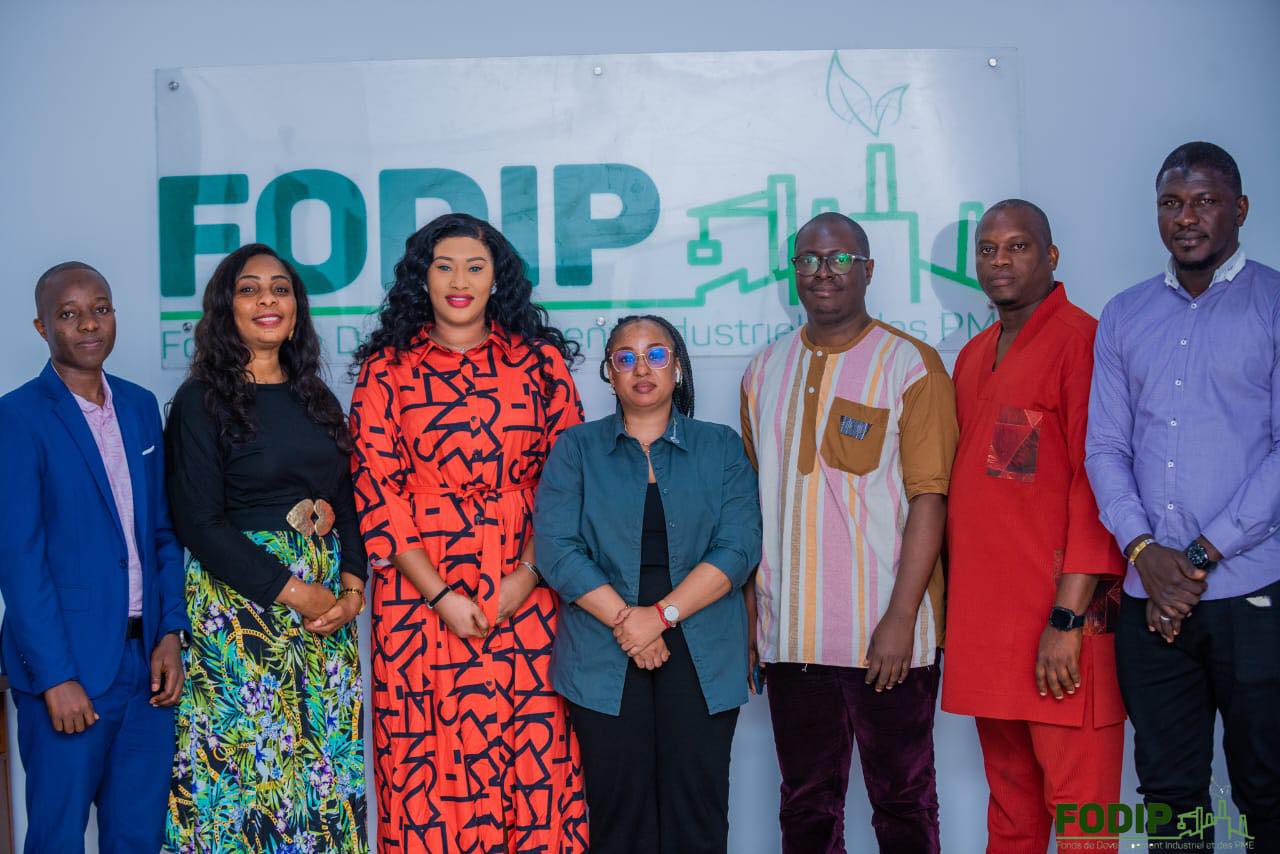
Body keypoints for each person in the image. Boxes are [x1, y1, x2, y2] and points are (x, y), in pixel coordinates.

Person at [349, 212, 588, 853]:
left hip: (528, 583)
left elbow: (568, 481)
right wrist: (439, 595)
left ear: (496, 279)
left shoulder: (540, 363)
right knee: (425, 763)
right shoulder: (386, 369)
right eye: (445, 266)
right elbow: (376, 489)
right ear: (421, 278)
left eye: (475, 267)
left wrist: (526, 577)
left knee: (535, 757)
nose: (460, 281)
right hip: (416, 593)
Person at [740, 212, 957, 853]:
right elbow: (754, 508)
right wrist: (753, 620)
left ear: (868, 270)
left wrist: (900, 618)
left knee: (903, 802)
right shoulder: (763, 370)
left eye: (839, 259)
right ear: (794, 273)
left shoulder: (910, 365)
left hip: (885, 636)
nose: (823, 272)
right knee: (806, 807)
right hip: (791, 635)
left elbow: (930, 498)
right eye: (809, 259)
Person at [1086, 142, 1280, 851]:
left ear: (1241, 209)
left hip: (1252, 595)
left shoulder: (1273, 303)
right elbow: (1105, 449)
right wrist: (1144, 552)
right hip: (1150, 603)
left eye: (1205, 201)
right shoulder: (1126, 313)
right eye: (1172, 203)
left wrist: (1193, 559)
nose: (1186, 218)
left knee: (1266, 787)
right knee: (1170, 796)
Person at [164, 244, 368, 852]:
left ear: (297, 306)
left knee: (320, 776)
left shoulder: (317, 396)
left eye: (280, 288)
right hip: (241, 613)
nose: (267, 300)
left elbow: (348, 500)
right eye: (249, 289)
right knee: (249, 779)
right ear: (225, 307)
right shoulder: (201, 400)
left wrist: (353, 589)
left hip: (325, 621)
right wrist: (298, 593)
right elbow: (200, 523)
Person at [534, 314, 761, 854]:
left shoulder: (720, 447)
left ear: (677, 368)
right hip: (602, 651)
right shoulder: (576, 449)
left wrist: (658, 618)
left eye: (656, 355)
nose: (642, 368)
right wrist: (628, 622)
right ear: (609, 373)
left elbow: (739, 548)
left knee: (697, 815)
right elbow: (557, 549)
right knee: (621, 817)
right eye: (626, 357)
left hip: (702, 649)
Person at [942, 200, 1126, 853]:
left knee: (1084, 826)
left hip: (1061, 631)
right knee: (1011, 820)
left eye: (1018, 246)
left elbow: (1098, 486)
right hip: (990, 634)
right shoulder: (972, 356)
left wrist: (1067, 621)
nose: (1000, 261)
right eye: (988, 249)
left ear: (1051, 256)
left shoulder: (1083, 341)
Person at [0, 262, 188, 852]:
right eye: (69, 314)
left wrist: (170, 634)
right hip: (69, 670)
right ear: (41, 327)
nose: (88, 324)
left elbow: (163, 532)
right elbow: (20, 562)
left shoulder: (139, 405)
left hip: (146, 668)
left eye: (100, 309)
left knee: (137, 838)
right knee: (57, 837)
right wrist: (55, 677)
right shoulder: (16, 417)